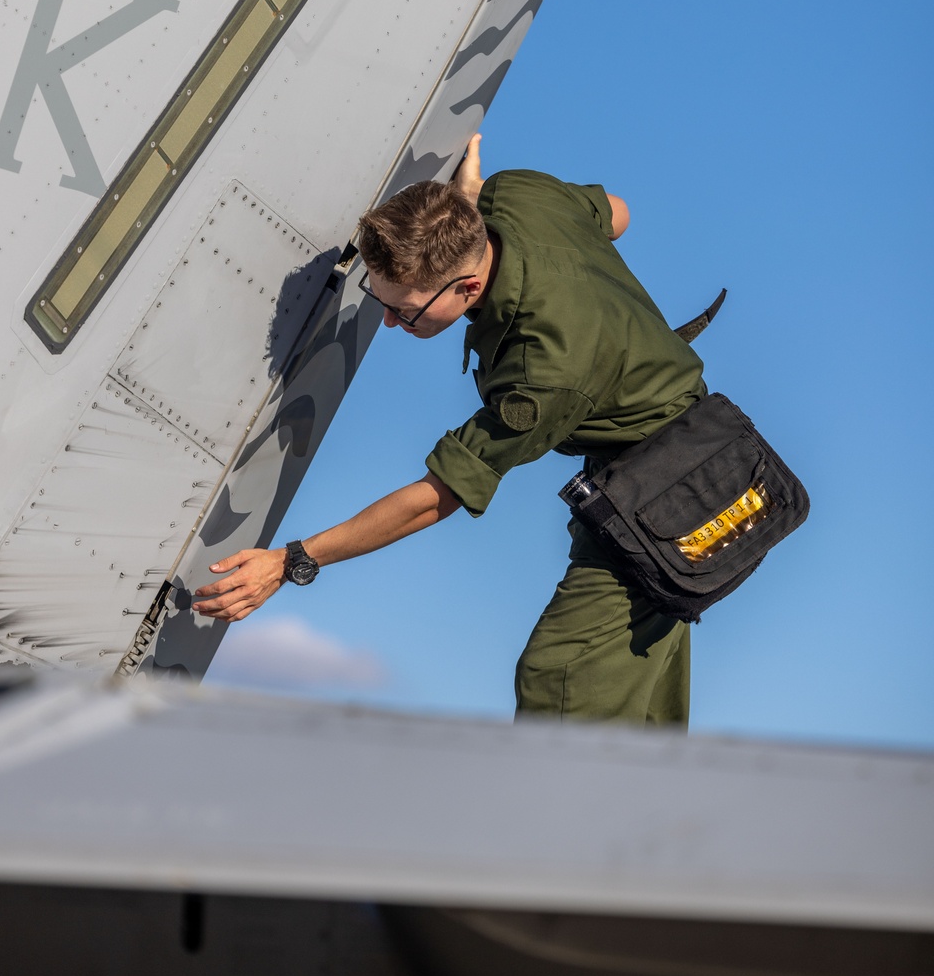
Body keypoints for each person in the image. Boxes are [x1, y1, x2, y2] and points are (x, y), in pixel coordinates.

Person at [193, 136, 706, 725]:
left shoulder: (544, 372)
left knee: (559, 678)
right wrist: (470, 205)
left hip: (666, 497)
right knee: (639, 710)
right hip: (667, 465)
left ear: (466, 288)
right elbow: (617, 212)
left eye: (405, 311)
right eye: (380, 300)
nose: (389, 322)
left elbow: (437, 497)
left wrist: (292, 561)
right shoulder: (517, 194)